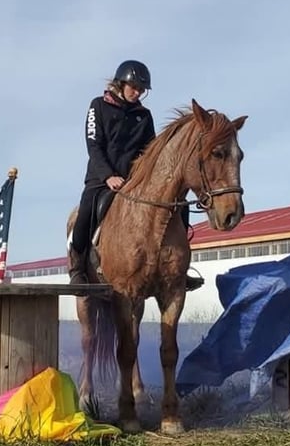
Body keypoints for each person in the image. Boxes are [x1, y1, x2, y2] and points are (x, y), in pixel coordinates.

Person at [69, 59, 204, 291]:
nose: (137, 93)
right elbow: (94, 145)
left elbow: (150, 151)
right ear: (121, 84)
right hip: (102, 179)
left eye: (142, 90)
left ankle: (181, 269)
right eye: (134, 88)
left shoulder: (144, 115)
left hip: (136, 180)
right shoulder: (98, 106)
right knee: (86, 212)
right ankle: (78, 268)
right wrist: (108, 176)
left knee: (178, 203)